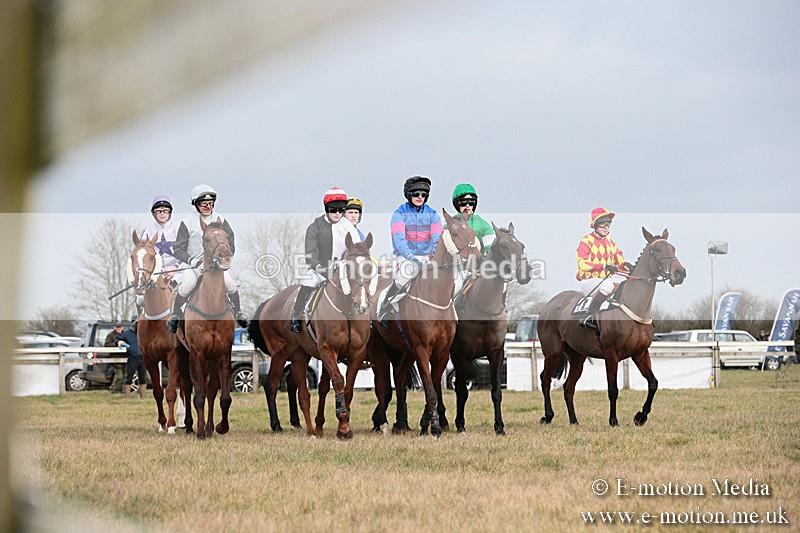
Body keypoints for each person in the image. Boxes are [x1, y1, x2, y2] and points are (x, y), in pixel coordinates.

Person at [166, 184, 248, 333]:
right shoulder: (187, 222)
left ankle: (238, 312)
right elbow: (178, 249)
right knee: (187, 285)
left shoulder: (221, 220)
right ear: (196, 204)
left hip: (216, 267)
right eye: (204, 203)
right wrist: (193, 261)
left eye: (210, 203)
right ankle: (176, 315)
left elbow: (231, 244)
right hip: (195, 266)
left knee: (231, 285)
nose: (208, 206)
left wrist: (224, 260)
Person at [290, 187, 361, 333]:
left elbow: (357, 250)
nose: (337, 214)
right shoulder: (314, 227)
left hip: (345, 269)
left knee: (362, 285)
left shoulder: (349, 227)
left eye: (341, 210)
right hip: (320, 269)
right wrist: (320, 268)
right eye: (333, 210)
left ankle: (369, 318)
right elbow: (310, 253)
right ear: (326, 208)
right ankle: (296, 317)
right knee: (308, 282)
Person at [377, 176, 443, 325]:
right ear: (408, 194)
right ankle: (385, 307)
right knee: (405, 275)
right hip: (406, 256)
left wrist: (432, 257)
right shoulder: (399, 214)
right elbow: (399, 240)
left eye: (423, 194)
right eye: (416, 194)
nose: (420, 197)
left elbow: (436, 239)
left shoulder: (433, 215)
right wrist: (412, 258)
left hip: (428, 256)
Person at [131, 195, 183, 332]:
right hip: (156, 272)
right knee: (140, 297)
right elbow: (143, 254)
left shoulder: (180, 229)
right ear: (154, 213)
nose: (162, 214)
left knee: (185, 291)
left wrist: (174, 268)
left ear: (170, 212)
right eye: (159, 211)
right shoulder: (147, 231)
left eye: (165, 211)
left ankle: (183, 324)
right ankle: (139, 319)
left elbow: (186, 252)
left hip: (179, 270)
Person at [575, 207, 634, 329]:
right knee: (608, 286)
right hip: (589, 281)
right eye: (603, 225)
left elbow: (619, 261)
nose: (606, 228)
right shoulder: (586, 241)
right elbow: (583, 264)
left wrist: (625, 265)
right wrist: (604, 266)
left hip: (606, 280)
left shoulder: (611, 243)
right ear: (596, 226)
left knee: (626, 283)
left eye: (608, 225)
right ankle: (588, 315)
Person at [450, 183, 495, 254]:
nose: (467, 206)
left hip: (477, 262)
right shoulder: (449, 225)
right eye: (464, 203)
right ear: (457, 205)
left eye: (471, 203)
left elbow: (491, 246)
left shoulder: (481, 224)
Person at [114, 325, 147, 399]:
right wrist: (119, 342)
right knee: (129, 377)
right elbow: (116, 339)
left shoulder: (144, 332)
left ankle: (143, 397)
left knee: (143, 378)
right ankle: (127, 397)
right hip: (132, 358)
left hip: (143, 358)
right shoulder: (128, 333)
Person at [103, 322, 124, 392]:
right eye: (117, 327)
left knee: (123, 376)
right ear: (115, 328)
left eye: (120, 327)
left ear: (122, 328)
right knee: (119, 376)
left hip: (125, 358)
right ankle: (116, 391)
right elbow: (106, 344)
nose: (119, 328)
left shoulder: (125, 334)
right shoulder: (111, 335)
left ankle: (119, 390)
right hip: (116, 358)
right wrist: (116, 344)